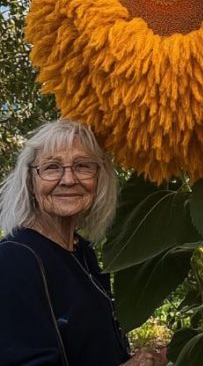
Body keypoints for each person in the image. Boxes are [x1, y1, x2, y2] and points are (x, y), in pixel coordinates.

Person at [0, 119, 166, 366]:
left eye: (82, 166)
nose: (68, 179)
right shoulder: (14, 260)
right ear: (31, 183)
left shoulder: (82, 252)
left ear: (99, 179)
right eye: (52, 167)